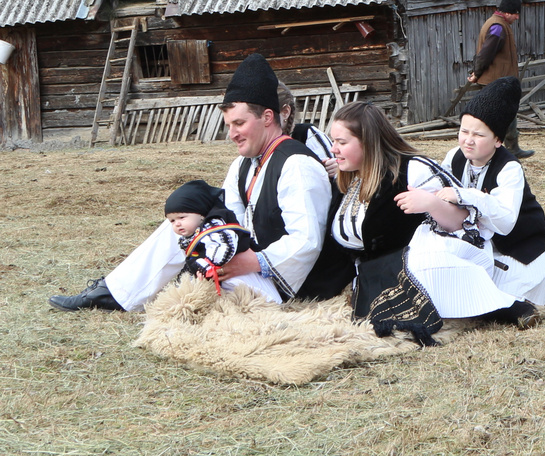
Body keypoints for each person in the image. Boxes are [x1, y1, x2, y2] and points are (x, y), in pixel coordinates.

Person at [50, 53, 342, 312]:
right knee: (181, 225)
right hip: (245, 266)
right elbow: (230, 217)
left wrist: (250, 262)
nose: (232, 134)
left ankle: (118, 293)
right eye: (229, 125)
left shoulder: (297, 164)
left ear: (268, 117)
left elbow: (306, 242)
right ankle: (114, 293)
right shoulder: (243, 164)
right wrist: (211, 241)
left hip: (285, 281)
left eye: (239, 124)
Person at [327, 100, 541, 341]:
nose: (333, 149)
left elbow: (465, 223)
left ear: (368, 142)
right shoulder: (345, 175)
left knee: (424, 267)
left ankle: (502, 306)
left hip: (422, 263)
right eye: (333, 141)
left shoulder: (413, 169)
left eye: (341, 142)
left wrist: (431, 203)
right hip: (370, 271)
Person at [437, 76, 545, 310]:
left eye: (479, 135)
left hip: (520, 248)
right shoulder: (455, 156)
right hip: (480, 244)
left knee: (498, 303)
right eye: (464, 131)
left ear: (498, 140)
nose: (468, 141)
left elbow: (505, 221)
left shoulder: (509, 168)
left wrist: (467, 195)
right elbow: (439, 184)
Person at [162, 179, 275, 299]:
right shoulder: (193, 235)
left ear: (201, 214)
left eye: (181, 217)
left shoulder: (216, 227)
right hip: (223, 278)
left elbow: (223, 249)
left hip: (244, 276)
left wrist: (205, 266)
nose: (177, 224)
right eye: (172, 221)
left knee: (245, 296)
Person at [464, 0, 530, 158]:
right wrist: (476, 73)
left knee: (506, 115)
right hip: (496, 81)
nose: (517, 17)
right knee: (498, 116)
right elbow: (486, 53)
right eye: (515, 14)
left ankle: (511, 148)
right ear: (507, 12)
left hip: (499, 80)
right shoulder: (498, 27)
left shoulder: (498, 24)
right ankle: (502, 150)